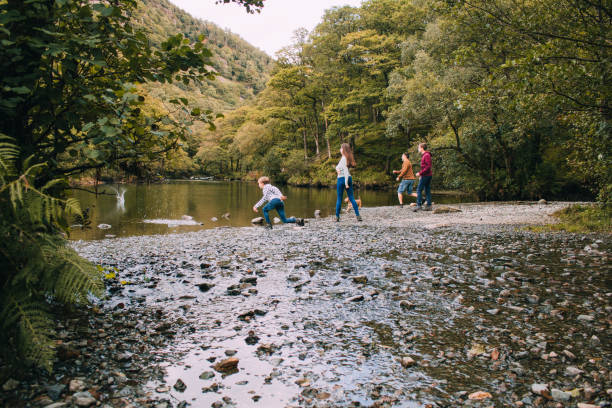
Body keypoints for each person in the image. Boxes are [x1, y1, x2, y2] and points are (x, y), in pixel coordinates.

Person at [335, 143, 362, 222]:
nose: (340, 150)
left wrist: (346, 183)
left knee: (339, 198)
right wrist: (337, 169)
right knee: (351, 198)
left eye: (341, 148)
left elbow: (346, 172)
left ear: (343, 150)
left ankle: (337, 217)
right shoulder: (345, 158)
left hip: (342, 179)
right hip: (349, 178)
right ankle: (358, 215)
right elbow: (338, 166)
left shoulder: (344, 159)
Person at [414, 143, 433, 211]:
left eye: (419, 147)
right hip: (426, 175)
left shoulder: (426, 155)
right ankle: (429, 206)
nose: (418, 149)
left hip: (426, 175)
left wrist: (420, 173)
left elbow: (428, 167)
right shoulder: (425, 155)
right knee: (427, 190)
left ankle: (419, 205)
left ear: (422, 148)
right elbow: (425, 167)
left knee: (419, 190)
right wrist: (421, 174)